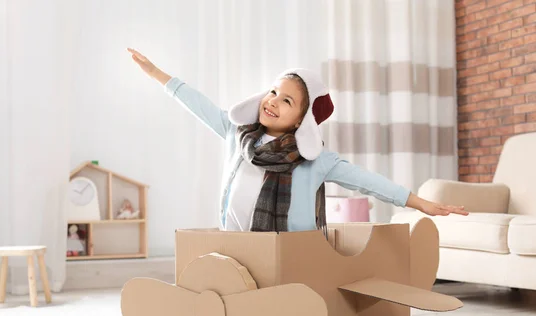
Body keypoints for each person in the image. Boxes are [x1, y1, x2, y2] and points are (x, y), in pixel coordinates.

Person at [127, 48, 468, 235]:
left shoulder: (316, 159)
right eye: (273, 92)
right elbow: (199, 105)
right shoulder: (239, 135)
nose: (273, 101)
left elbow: (368, 181)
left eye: (287, 101)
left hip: (290, 252)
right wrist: (159, 74)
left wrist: (418, 202)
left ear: (302, 120)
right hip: (237, 244)